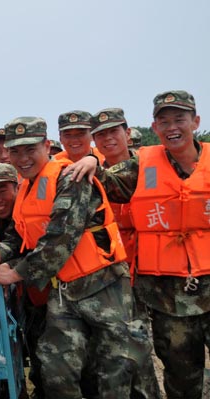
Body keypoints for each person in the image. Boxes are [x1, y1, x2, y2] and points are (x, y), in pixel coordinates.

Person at [0, 116, 135, 397]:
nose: (22, 158)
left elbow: (60, 238)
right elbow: (17, 235)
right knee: (55, 368)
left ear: (47, 145)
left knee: (115, 372)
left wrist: (15, 273)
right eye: (15, 151)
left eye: (30, 149)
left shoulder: (70, 178)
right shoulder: (26, 186)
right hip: (63, 292)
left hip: (102, 288)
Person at [67, 90, 210, 399]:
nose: (172, 128)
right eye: (164, 121)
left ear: (195, 122)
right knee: (182, 377)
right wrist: (91, 159)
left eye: (179, 120)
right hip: (167, 295)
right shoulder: (143, 165)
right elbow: (108, 181)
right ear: (154, 128)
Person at [90, 108, 161, 398]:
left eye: (114, 131)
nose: (108, 138)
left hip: (154, 269)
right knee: (122, 351)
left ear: (128, 133)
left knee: (151, 349)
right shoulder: (92, 175)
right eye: (101, 134)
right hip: (112, 275)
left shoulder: (152, 166)